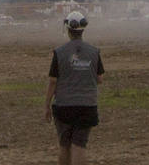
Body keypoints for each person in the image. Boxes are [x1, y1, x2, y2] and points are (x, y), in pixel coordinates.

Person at [44, 10, 104, 165]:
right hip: (87, 106)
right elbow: (100, 79)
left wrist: (47, 106)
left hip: (63, 106)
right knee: (79, 146)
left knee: (64, 146)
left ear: (68, 30)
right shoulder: (94, 52)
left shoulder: (59, 53)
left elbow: (52, 81)